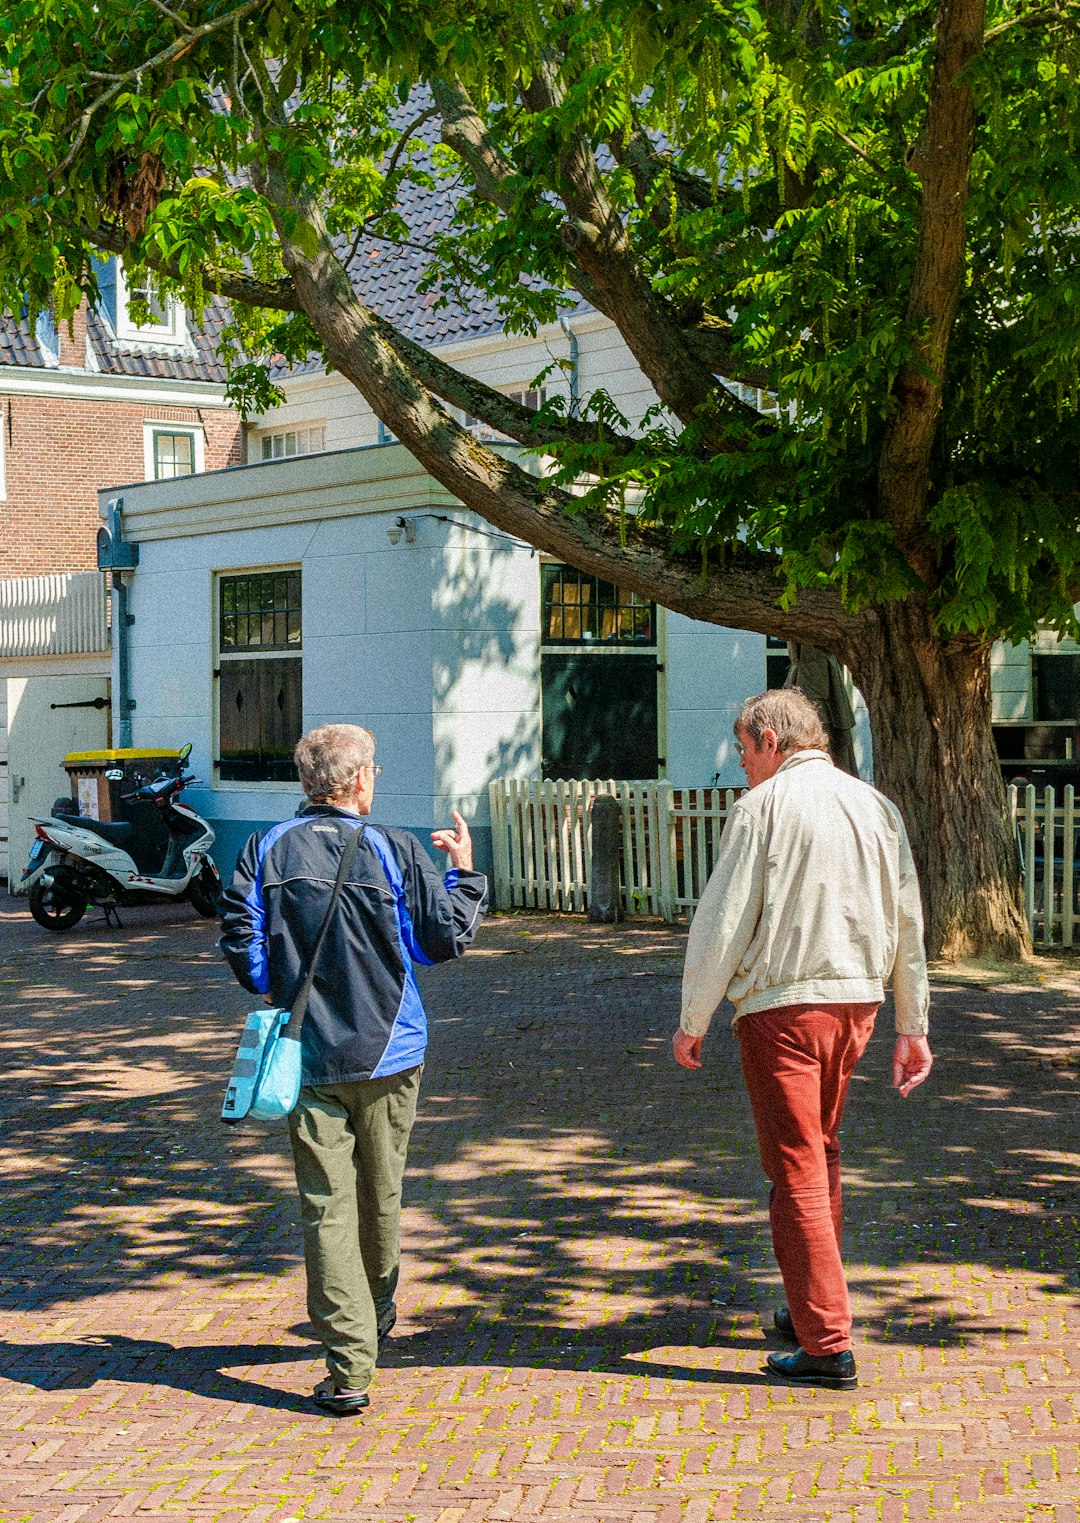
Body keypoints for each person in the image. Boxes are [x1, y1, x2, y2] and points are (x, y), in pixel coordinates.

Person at [219, 723, 488, 1415]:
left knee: (324, 1206)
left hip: (307, 1052)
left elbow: (244, 947)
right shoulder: (394, 848)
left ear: (309, 782)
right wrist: (464, 872)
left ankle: (348, 1369)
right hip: (391, 1048)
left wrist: (273, 983)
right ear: (359, 778)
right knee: (383, 1191)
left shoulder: (264, 848)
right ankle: (379, 1310)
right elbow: (442, 939)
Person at [673, 689, 932, 1391]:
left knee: (795, 1166)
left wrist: (693, 1016)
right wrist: (912, 1022)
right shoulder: (875, 805)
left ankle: (825, 1339)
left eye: (744, 751)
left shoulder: (761, 809)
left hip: (783, 1006)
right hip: (857, 1002)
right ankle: (808, 1302)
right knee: (820, 1151)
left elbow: (724, 919)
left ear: (769, 739)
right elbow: (907, 917)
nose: (742, 765)